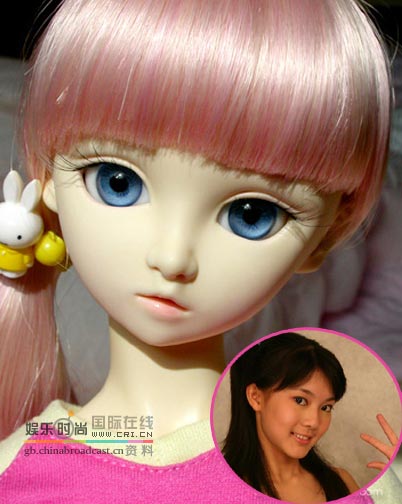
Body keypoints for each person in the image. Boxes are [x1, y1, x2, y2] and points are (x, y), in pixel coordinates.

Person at [0, 0, 399, 502]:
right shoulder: (20, 472)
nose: (172, 258)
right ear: (46, 178)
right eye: (117, 182)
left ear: (325, 237)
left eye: (252, 214)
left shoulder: (349, 483)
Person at [222, 332, 400, 503]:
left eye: (326, 407)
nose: (314, 422)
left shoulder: (340, 482)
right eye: (300, 400)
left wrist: (397, 474)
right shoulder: (222, 488)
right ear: (256, 397)